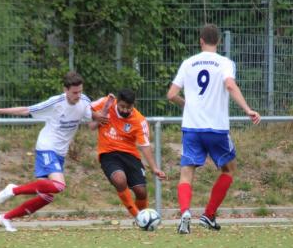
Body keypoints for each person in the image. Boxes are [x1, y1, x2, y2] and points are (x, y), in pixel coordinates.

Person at [0, 71, 106, 232]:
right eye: (75, 92)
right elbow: (26, 110)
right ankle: (13, 190)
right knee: (59, 186)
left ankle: (5, 218)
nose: (78, 95)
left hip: (59, 153)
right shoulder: (55, 102)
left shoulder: (84, 101)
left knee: (46, 196)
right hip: (47, 147)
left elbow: (91, 118)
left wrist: (106, 106)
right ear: (65, 90)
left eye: (80, 91)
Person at [167, 23, 261, 234]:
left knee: (186, 173)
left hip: (191, 127)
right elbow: (229, 85)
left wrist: (187, 105)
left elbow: (171, 94)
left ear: (200, 40)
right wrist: (248, 109)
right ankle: (208, 214)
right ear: (218, 41)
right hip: (216, 128)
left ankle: (184, 212)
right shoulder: (224, 62)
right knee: (229, 169)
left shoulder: (188, 63)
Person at [90, 88, 166, 220]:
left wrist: (154, 168)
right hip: (108, 154)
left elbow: (145, 145)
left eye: (128, 107)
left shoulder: (139, 120)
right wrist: (97, 116)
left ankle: (144, 218)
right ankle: (139, 218)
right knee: (120, 180)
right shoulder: (106, 103)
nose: (125, 110)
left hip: (130, 155)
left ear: (134, 105)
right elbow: (85, 111)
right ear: (117, 102)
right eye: (122, 106)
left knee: (141, 192)